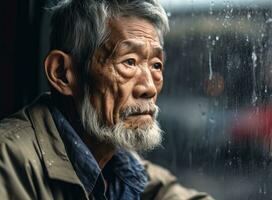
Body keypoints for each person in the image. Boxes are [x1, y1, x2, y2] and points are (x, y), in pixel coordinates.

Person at [0, 0, 214, 199]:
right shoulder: (9, 161)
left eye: (156, 65)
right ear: (62, 73)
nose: (149, 87)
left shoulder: (119, 162)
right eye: (129, 62)